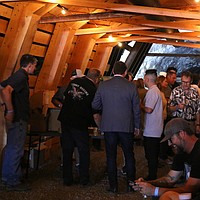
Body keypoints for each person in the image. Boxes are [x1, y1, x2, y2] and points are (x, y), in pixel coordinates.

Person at [92, 61, 140, 193]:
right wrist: (137, 126)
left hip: (109, 126)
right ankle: (131, 185)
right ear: (125, 73)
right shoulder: (131, 87)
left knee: (111, 156)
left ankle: (113, 186)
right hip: (126, 126)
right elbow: (136, 109)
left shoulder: (103, 85)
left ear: (113, 71)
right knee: (129, 155)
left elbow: (95, 105)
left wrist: (107, 108)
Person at [131, 118, 200, 200]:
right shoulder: (181, 151)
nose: (169, 144)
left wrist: (155, 191)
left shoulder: (198, 151)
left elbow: (191, 189)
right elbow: (169, 179)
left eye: (171, 139)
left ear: (182, 134)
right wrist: (147, 184)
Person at [58, 68, 101, 187]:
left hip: (66, 120)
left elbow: (66, 97)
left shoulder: (73, 82)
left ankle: (67, 179)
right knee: (83, 151)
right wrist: (100, 127)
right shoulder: (93, 90)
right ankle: (84, 179)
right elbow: (95, 112)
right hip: (80, 122)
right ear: (96, 79)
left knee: (67, 150)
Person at [0, 54, 37, 191]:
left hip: (16, 118)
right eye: (34, 66)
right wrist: (10, 110)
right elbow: (5, 90)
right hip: (18, 118)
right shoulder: (21, 76)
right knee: (16, 149)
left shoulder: (17, 76)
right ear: (29, 65)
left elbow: (2, 86)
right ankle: (12, 181)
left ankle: (7, 177)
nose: (34, 68)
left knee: (11, 147)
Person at [52, 69, 84, 168]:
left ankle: (67, 164)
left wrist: (61, 106)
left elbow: (54, 99)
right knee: (77, 142)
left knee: (67, 143)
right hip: (76, 120)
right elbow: (54, 99)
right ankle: (75, 163)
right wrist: (61, 106)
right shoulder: (66, 88)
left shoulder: (65, 88)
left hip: (67, 120)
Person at [141, 69, 163, 180]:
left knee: (151, 155)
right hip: (154, 128)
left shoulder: (152, 92)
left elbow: (149, 109)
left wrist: (140, 105)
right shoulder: (155, 91)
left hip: (152, 129)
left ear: (147, 79)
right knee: (151, 154)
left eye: (145, 79)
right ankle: (152, 174)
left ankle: (152, 176)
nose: (144, 81)